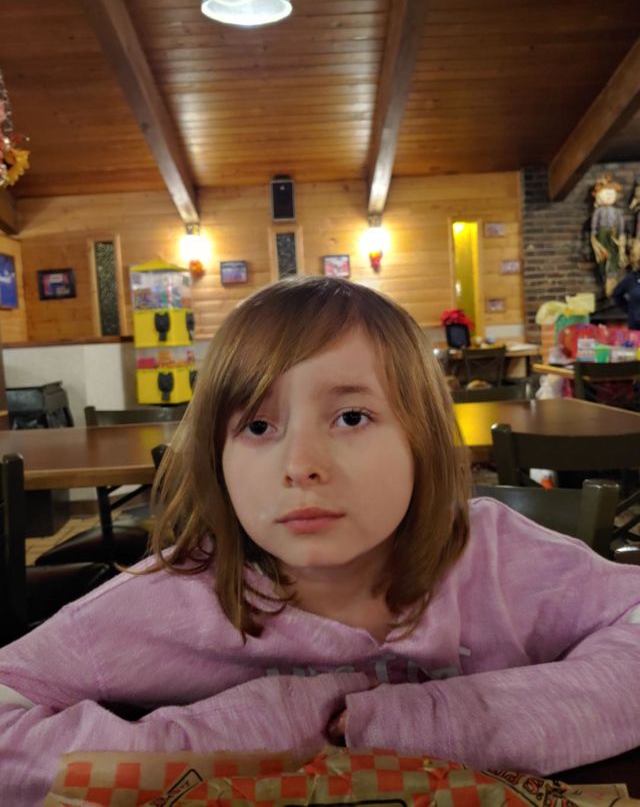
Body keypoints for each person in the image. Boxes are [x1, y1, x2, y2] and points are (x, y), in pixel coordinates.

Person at [1, 277, 640, 805]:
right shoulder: (174, 595)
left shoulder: (494, 556)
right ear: (217, 458)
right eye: (257, 426)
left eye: (351, 417)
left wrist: (449, 718)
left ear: (420, 438)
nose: (301, 464)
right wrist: (243, 732)